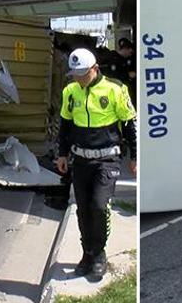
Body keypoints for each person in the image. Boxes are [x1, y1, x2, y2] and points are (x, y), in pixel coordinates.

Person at [55, 48, 137, 280]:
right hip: (81, 161)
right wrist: (62, 154)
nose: (79, 78)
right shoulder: (70, 91)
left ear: (94, 69)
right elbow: (65, 126)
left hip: (107, 160)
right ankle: (87, 254)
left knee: (99, 207)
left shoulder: (115, 89)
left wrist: (135, 156)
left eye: (83, 73)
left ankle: (99, 253)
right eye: (75, 74)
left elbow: (130, 124)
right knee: (83, 210)